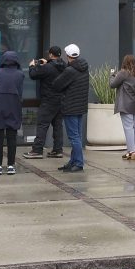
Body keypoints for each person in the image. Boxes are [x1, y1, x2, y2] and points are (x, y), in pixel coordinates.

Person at [49, 43, 89, 173]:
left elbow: (56, 85)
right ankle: (73, 161)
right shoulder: (83, 68)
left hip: (70, 107)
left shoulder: (70, 70)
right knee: (77, 136)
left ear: (67, 56)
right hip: (80, 106)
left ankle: (78, 163)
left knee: (74, 137)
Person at [22, 46, 66, 160]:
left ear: (51, 55)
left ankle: (37, 150)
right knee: (58, 126)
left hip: (48, 100)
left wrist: (32, 65)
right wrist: (47, 63)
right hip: (61, 99)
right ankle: (57, 150)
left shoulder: (48, 67)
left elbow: (33, 75)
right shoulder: (64, 66)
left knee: (42, 124)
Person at [109, 55, 135, 161]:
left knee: (128, 128)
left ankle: (131, 152)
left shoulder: (123, 73)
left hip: (126, 105)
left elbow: (112, 85)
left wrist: (112, 75)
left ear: (124, 62)